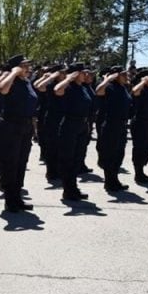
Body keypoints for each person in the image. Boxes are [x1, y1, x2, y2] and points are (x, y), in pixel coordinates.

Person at [0, 55, 38, 212]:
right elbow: (2, 90)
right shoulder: (10, 79)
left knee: (21, 163)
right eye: (24, 65)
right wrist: (12, 73)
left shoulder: (26, 82)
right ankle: (10, 200)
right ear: (16, 67)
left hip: (25, 126)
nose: (28, 68)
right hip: (10, 126)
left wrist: (34, 129)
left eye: (28, 65)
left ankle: (17, 197)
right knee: (10, 163)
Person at [53, 63, 91, 200]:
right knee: (68, 158)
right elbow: (57, 90)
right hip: (70, 124)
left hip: (82, 124)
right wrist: (68, 78)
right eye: (82, 72)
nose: (86, 75)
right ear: (75, 74)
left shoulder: (83, 88)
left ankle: (73, 187)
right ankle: (68, 189)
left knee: (77, 158)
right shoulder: (68, 86)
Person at [95, 67, 131, 192]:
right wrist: (107, 79)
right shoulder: (109, 87)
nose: (126, 76)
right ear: (116, 76)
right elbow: (98, 91)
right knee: (110, 154)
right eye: (123, 74)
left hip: (122, 125)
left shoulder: (123, 87)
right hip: (111, 124)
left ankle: (114, 179)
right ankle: (109, 182)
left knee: (119, 154)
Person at [130, 68, 148, 183]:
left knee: (147, 148)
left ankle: (141, 170)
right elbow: (134, 91)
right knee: (139, 148)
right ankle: (138, 173)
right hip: (140, 122)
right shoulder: (141, 88)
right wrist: (143, 81)